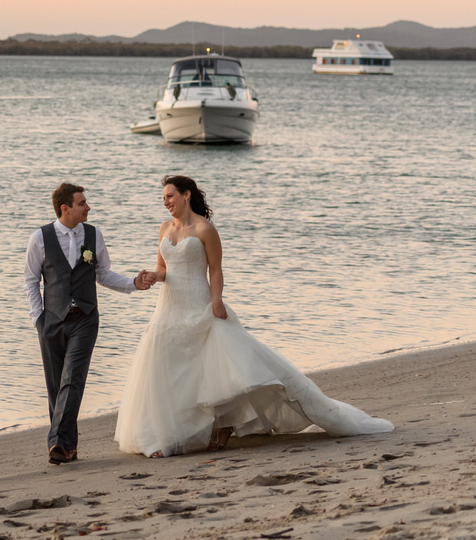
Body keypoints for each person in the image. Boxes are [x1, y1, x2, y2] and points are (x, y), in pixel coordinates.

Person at [115, 175, 393, 458]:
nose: (166, 202)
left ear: (186, 195)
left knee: (214, 365)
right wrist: (152, 276)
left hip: (198, 302)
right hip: (168, 307)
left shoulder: (205, 228)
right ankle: (167, 434)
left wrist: (216, 299)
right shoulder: (164, 228)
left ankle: (222, 424)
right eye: (163, 198)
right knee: (167, 365)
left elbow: (216, 270)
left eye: (170, 196)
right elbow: (163, 268)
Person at [25, 182, 155, 464]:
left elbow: (103, 274)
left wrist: (132, 284)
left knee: (72, 379)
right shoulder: (39, 238)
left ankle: (57, 442)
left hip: (85, 319)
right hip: (51, 321)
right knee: (55, 386)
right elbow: (31, 281)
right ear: (65, 208)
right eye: (82, 203)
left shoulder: (94, 235)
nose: (88, 207)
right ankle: (67, 448)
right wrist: (38, 318)